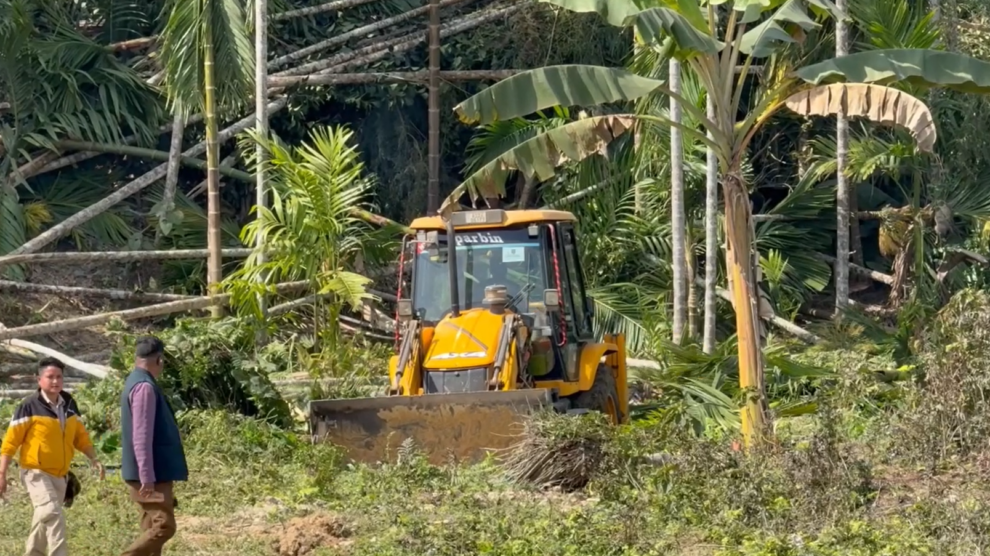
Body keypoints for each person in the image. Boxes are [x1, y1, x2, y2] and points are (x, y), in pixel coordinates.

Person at [0, 357, 105, 556]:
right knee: (52, 513)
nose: (55, 381)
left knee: (43, 520)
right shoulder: (28, 406)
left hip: (60, 475)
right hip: (35, 472)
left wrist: (94, 458)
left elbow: (80, 437)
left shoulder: (69, 404)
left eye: (59, 377)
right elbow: (10, 443)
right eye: (50, 377)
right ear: (39, 380)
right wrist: (2, 474)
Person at [119, 336, 188, 556]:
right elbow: (142, 436)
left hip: (147, 473)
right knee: (164, 526)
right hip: (151, 476)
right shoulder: (144, 388)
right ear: (159, 360)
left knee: (150, 528)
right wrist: (146, 476)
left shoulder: (136, 380)